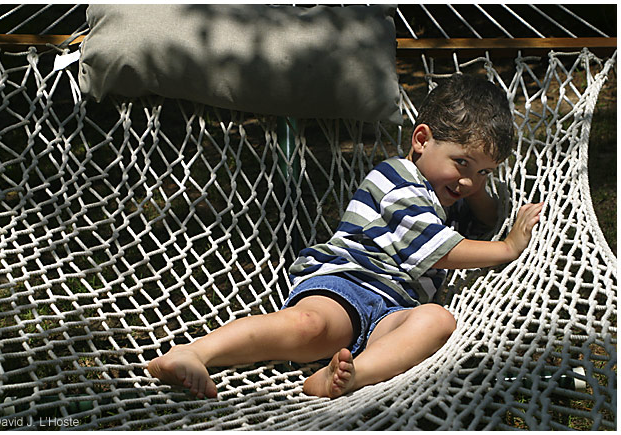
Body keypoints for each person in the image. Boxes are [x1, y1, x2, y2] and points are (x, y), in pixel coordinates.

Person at [146, 74, 543, 399]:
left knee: (438, 320)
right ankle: (194, 353)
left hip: (394, 310)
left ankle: (350, 376)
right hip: (347, 284)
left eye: (485, 171)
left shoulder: (446, 196)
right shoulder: (397, 180)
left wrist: (476, 189)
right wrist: (507, 247)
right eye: (462, 163)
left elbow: (485, 220)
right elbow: (438, 251)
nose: (469, 181)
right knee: (307, 326)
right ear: (421, 140)